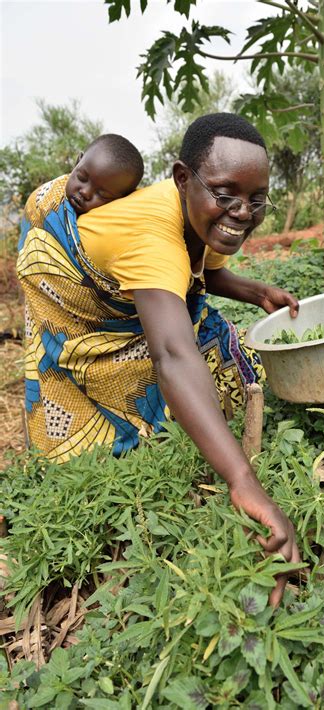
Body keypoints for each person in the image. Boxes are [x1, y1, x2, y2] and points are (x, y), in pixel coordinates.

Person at [18, 113, 301, 605]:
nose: (242, 212)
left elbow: (198, 269)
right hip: (69, 279)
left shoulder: (193, 214)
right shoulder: (153, 239)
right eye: (226, 194)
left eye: (257, 199)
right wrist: (242, 481)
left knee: (210, 344)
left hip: (133, 255)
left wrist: (256, 292)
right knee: (151, 360)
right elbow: (171, 354)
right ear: (181, 179)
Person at [66, 133, 144, 215]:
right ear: (78, 162)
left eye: (102, 194)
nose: (85, 193)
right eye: (81, 177)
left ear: (121, 200)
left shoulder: (104, 224)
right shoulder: (53, 190)